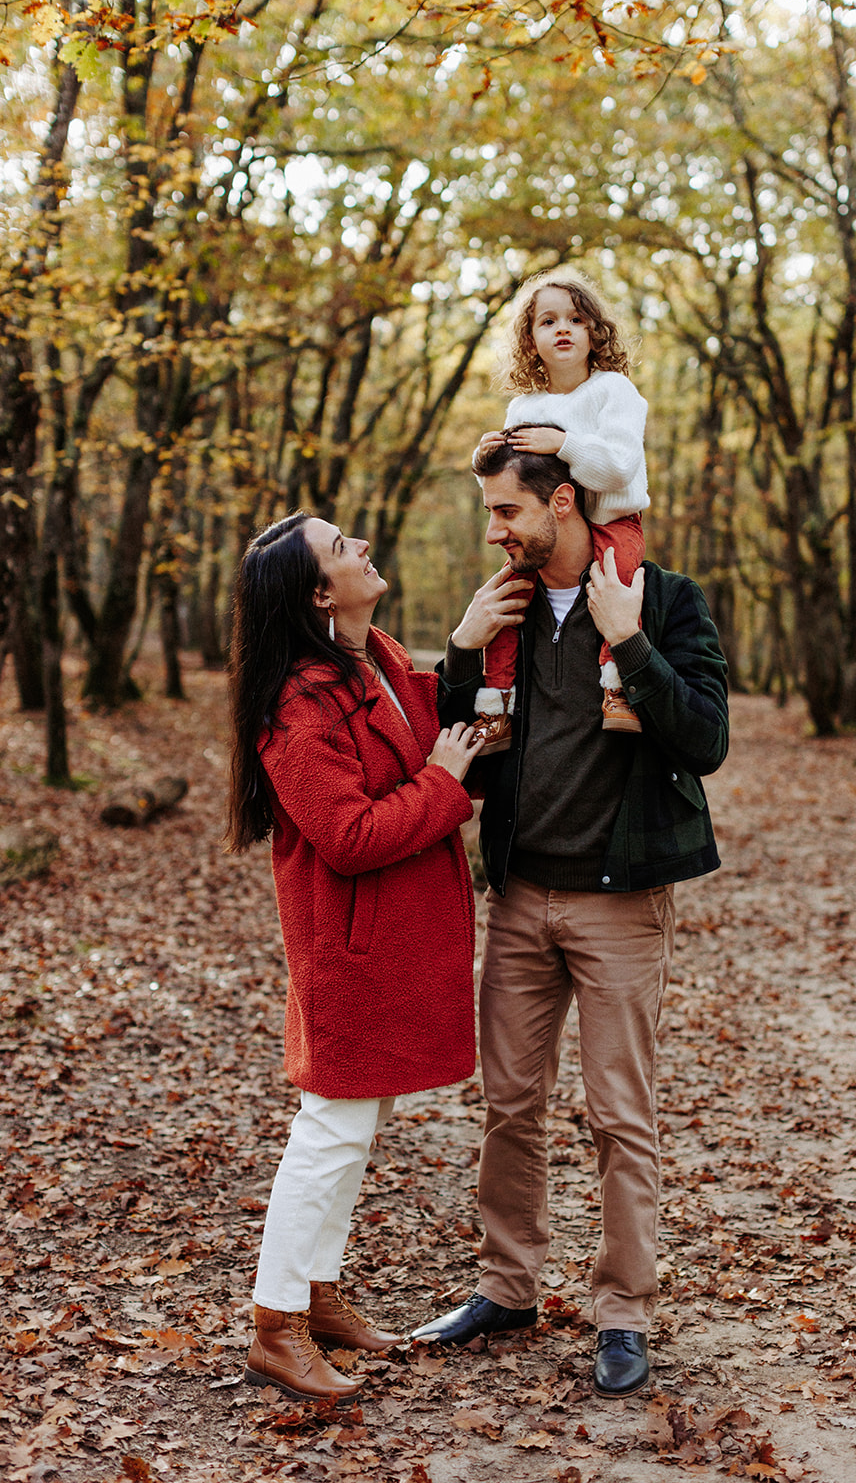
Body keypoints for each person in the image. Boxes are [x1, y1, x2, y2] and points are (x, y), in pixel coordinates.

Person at [411, 437, 729, 1398]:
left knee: (618, 1115)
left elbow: (706, 738)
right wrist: (462, 647)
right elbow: (454, 730)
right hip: (518, 897)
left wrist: (629, 640)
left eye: (506, 511)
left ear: (562, 504)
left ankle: (622, 1311)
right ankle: (507, 1287)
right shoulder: (501, 612)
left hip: (620, 901)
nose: (494, 529)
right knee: (510, 1105)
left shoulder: (662, 599)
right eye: (488, 513)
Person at [224, 511, 481, 1402]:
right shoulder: (297, 701)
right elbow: (348, 833)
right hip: (349, 951)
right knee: (328, 1133)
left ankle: (320, 1297)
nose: (362, 545)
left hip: (388, 944)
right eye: (342, 549)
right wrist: (444, 785)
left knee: (353, 1129)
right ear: (318, 593)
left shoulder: (373, 660)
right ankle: (275, 1324)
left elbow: (434, 722)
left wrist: (468, 644)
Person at [471, 268, 649, 755]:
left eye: (575, 318)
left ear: (595, 331)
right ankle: (496, 707)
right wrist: (485, 454)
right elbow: (508, 478)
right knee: (506, 598)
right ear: (531, 340)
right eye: (548, 321)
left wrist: (565, 444)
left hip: (612, 519)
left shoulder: (614, 391)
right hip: (547, 533)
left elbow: (618, 468)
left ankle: (616, 688)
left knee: (617, 588)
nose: (563, 329)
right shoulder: (524, 407)